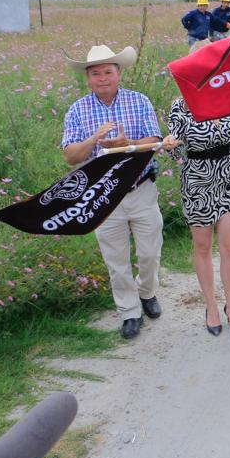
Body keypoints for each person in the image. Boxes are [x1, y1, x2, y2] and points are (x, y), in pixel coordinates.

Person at [61, 45, 164, 340]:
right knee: (116, 259)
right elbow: (71, 156)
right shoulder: (78, 110)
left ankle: (147, 292)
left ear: (119, 73)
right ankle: (130, 312)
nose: (102, 78)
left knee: (149, 253)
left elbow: (155, 140)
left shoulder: (139, 100)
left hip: (140, 188)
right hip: (102, 194)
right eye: (96, 73)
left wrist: (125, 144)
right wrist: (95, 139)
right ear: (87, 78)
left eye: (108, 71)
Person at [165, 40, 230, 336]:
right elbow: (175, 151)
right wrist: (172, 148)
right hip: (196, 180)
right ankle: (211, 307)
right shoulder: (179, 106)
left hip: (227, 178)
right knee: (202, 247)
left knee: (228, 247)